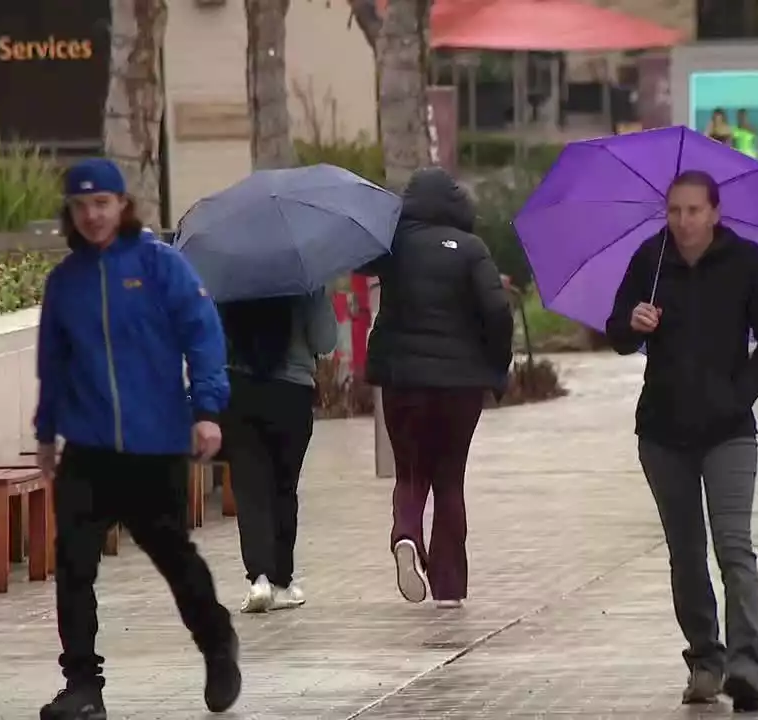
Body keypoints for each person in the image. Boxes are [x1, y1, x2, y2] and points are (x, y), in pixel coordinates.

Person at [34, 157, 241, 720]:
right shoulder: (65, 283)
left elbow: (203, 336)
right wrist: (45, 433)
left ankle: (218, 645)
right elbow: (52, 364)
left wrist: (207, 409)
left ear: (122, 205)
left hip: (155, 445)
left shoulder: (160, 266)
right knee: (74, 565)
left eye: (101, 203)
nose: (92, 215)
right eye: (80, 207)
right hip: (87, 448)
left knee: (174, 556)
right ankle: (83, 686)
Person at [604, 170, 758, 713]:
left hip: (728, 433)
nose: (682, 221)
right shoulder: (651, 260)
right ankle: (705, 661)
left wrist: (739, 397)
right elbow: (616, 332)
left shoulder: (747, 261)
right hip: (662, 433)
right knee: (686, 555)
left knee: (733, 548)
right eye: (674, 211)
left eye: (693, 211)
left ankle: (746, 667)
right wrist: (633, 323)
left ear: (714, 212)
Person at [360, 167, 514, 609]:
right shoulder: (472, 249)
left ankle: (406, 535)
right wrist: (496, 366)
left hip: (403, 380)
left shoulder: (391, 246)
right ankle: (448, 587)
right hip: (459, 386)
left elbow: (354, 262)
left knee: (410, 470)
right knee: (449, 477)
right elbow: (498, 314)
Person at [217, 289, 338, 613]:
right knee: (284, 488)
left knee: (249, 487)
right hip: (292, 393)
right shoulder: (306, 279)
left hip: (239, 389)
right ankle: (282, 581)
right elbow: (325, 340)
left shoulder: (227, 274)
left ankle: (258, 578)